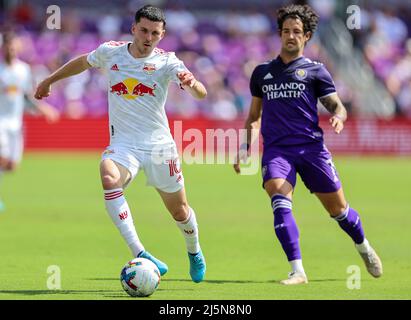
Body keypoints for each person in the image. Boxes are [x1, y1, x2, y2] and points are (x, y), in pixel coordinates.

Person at [35, 5, 207, 282]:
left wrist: (192, 82)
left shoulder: (168, 62)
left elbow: (201, 94)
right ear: (133, 29)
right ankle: (141, 252)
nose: (148, 37)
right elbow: (83, 62)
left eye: (155, 33)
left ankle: (194, 250)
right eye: (144, 30)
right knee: (108, 176)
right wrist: (50, 79)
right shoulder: (111, 51)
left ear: (162, 35)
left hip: (159, 146)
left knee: (180, 211)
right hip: (124, 144)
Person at [234, 4, 382, 285]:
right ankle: (297, 270)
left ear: (307, 36)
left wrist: (338, 116)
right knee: (278, 194)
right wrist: (244, 148)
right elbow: (253, 117)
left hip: (311, 150)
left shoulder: (316, 72)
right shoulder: (262, 73)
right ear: (279, 34)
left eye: (297, 32)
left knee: (339, 211)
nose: (291, 36)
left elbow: (338, 106)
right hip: (278, 151)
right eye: (286, 31)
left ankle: (363, 245)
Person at [0, 32, 59, 212]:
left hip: (16, 123)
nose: (10, 51)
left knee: (11, 165)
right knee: (2, 158)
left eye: (12, 47)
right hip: (0, 122)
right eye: (7, 48)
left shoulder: (23, 70)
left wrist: (44, 109)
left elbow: (26, 96)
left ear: (17, 49)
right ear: (3, 49)